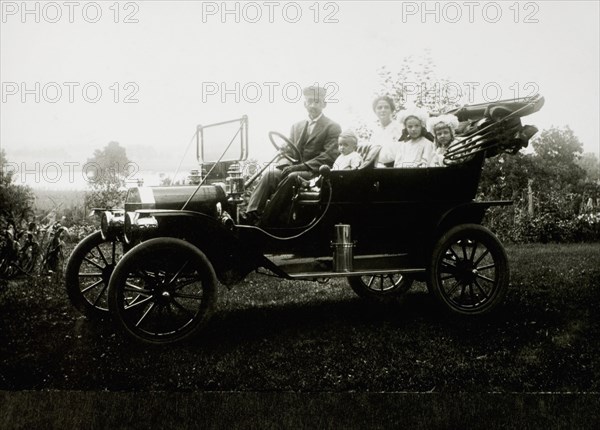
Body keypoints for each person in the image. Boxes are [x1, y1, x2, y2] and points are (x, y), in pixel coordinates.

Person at [243, 85, 341, 224]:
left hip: (315, 173)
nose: (312, 105)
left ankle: (265, 222)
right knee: (270, 174)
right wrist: (284, 165)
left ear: (324, 104)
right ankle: (251, 215)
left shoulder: (332, 127)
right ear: (304, 104)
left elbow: (328, 156)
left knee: (292, 177)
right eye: (309, 101)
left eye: (316, 101)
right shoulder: (297, 126)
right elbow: (288, 151)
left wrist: (299, 167)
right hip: (293, 169)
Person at [369, 96, 404, 167]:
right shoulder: (375, 132)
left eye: (386, 107)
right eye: (379, 107)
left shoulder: (400, 128)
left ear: (392, 110)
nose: (383, 110)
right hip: (378, 168)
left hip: (397, 167)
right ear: (375, 111)